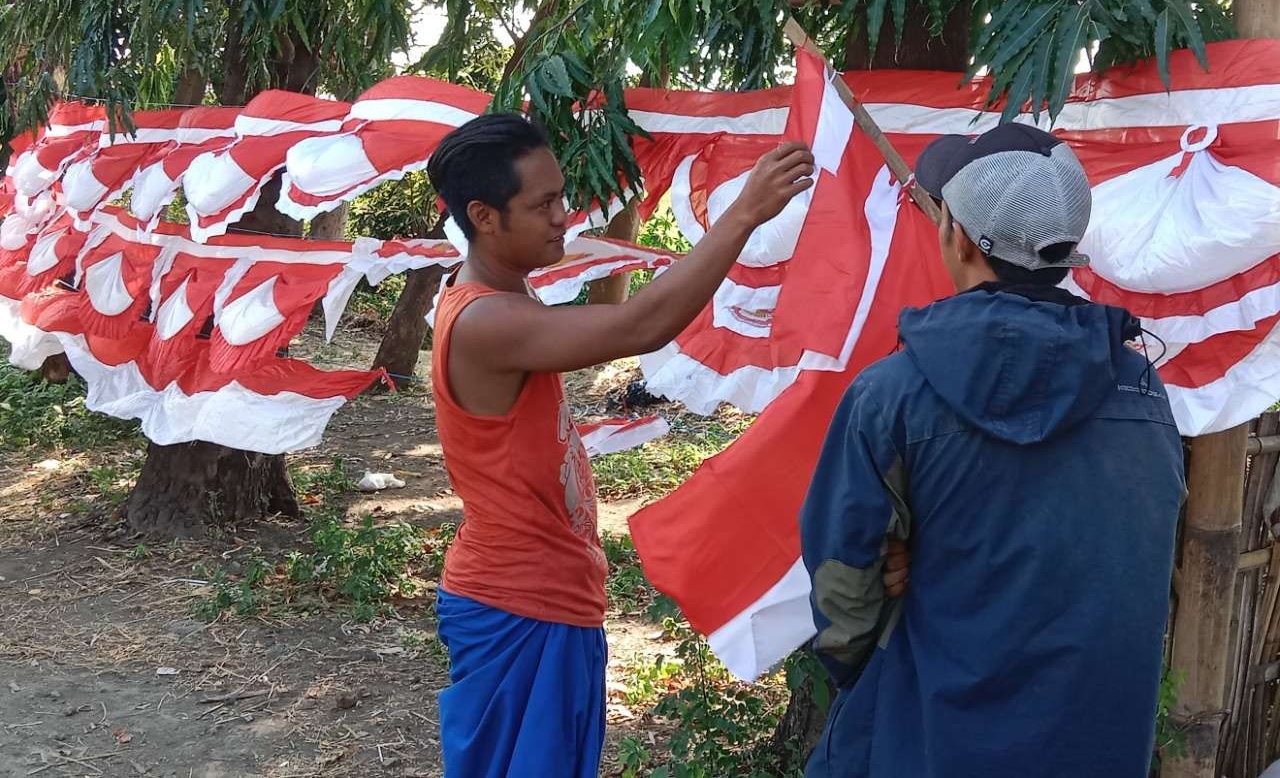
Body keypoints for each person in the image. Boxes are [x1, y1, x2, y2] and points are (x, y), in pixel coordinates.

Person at [424, 112, 815, 777]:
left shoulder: (503, 298)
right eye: (542, 203)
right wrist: (744, 215)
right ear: (484, 216)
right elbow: (643, 322)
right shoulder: (486, 319)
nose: (562, 216)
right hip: (520, 602)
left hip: (545, 597)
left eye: (561, 196)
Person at [800, 123, 1186, 778]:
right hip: (1095, 746)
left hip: (924, 739)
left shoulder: (893, 395)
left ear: (958, 235)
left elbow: (844, 596)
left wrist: (911, 577)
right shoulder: (1143, 395)